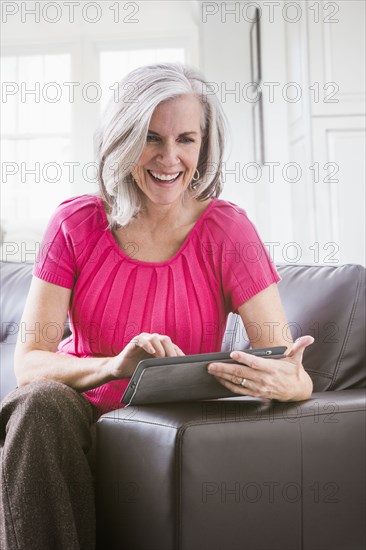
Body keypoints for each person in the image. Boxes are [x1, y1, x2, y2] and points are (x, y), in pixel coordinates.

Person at [0, 62, 314, 550]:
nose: (170, 158)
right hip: (76, 417)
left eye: (186, 139)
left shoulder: (228, 231)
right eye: (151, 137)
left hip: (176, 422)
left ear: (203, 146)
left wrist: (293, 381)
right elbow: (30, 364)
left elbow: (282, 358)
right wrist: (114, 366)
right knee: (36, 402)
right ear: (123, 140)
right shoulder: (75, 223)